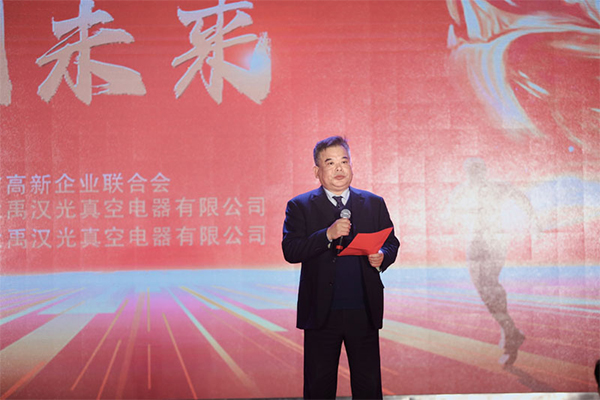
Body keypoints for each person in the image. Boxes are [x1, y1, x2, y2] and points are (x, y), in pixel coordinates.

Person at [282, 136, 400, 399]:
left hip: (363, 309)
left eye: (344, 161)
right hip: (321, 312)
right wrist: (327, 235)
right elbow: (291, 250)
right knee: (319, 388)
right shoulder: (300, 206)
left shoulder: (373, 203)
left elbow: (391, 242)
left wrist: (383, 256)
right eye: (330, 162)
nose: (339, 168)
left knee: (368, 387)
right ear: (317, 171)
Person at [445, 157, 538, 367]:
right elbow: (450, 215)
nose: (473, 174)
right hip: (479, 241)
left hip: (493, 240)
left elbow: (521, 198)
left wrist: (534, 221)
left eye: (476, 170)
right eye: (471, 170)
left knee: (488, 286)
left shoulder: (495, 187)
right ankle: (510, 331)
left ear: (483, 171)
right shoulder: (463, 190)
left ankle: (510, 331)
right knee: (486, 287)